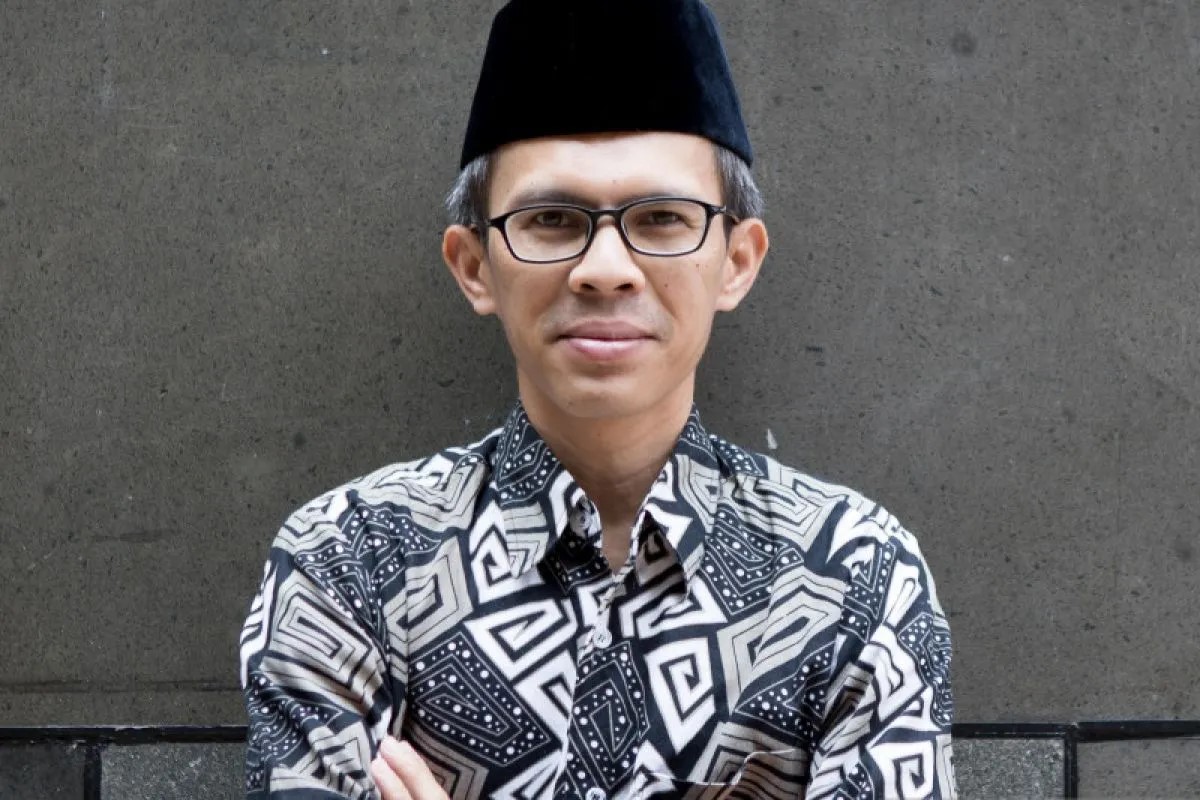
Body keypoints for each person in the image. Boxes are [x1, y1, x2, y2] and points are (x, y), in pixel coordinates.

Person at [238, 1, 957, 797]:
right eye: (551, 219)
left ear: (737, 262)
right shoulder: (351, 559)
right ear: (474, 266)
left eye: (662, 218)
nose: (605, 270)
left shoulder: (855, 573)